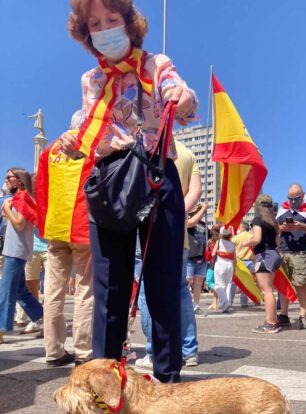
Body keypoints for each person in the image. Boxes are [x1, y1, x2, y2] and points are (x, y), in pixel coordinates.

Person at [61, 0, 198, 382]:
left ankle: (168, 378)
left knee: (162, 279)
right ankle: (106, 383)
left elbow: (182, 97)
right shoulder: (91, 80)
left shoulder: (156, 65)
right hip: (109, 178)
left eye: (111, 19)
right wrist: (72, 140)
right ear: (85, 32)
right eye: (94, 23)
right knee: (108, 283)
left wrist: (183, 99)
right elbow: (92, 128)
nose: (103, 28)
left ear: (129, 23)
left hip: (156, 173)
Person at [135, 141, 202, 369]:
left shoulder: (145, 145)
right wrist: (177, 212)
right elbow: (196, 191)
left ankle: (154, 350)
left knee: (147, 290)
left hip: (147, 229)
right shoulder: (187, 152)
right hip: (178, 234)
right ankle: (189, 350)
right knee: (182, 292)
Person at [36, 110, 94, 367]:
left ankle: (53, 350)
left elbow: (41, 189)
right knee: (84, 290)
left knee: (53, 291)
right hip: (83, 226)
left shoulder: (50, 150)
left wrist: (44, 224)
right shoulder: (92, 146)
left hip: (55, 225)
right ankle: (83, 351)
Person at [0, 168, 43, 344]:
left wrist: (6, 209)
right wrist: (7, 209)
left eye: (9, 177)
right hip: (16, 250)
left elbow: (19, 224)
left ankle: (1, 329)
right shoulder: (18, 198)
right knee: (19, 291)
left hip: (16, 251)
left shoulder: (23, 197)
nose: (6, 180)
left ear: (19, 180)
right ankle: (46, 319)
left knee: (5, 291)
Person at [276, 184, 306, 329]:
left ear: (303, 195)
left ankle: (303, 315)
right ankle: (284, 314)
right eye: (290, 198)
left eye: (296, 198)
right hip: (283, 250)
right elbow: (275, 227)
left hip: (300, 252)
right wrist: (281, 228)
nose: (293, 201)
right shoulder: (283, 209)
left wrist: (301, 226)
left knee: (300, 284)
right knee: (283, 285)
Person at [242, 195, 281, 334]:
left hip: (264, 255)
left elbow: (257, 239)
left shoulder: (257, 219)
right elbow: (277, 243)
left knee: (266, 290)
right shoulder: (274, 222)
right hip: (273, 254)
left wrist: (247, 242)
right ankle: (274, 321)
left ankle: (270, 323)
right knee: (269, 289)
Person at [187, 203, 209, 316]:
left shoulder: (204, 224)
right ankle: (184, 306)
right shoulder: (187, 220)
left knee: (198, 284)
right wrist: (203, 209)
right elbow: (191, 223)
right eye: (198, 210)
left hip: (202, 258)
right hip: (189, 257)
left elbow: (209, 237)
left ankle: (196, 306)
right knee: (187, 282)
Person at [231, 221, 255, 307]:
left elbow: (230, 248)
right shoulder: (252, 236)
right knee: (246, 283)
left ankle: (230, 301)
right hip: (250, 261)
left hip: (238, 262)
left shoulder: (236, 238)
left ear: (242, 228)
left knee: (234, 282)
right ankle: (244, 302)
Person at [212, 227, 236, 313]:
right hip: (230, 265)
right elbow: (234, 258)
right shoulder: (233, 243)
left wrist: (219, 251)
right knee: (228, 284)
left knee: (219, 285)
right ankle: (228, 302)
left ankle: (224, 304)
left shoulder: (219, 241)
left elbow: (213, 253)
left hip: (220, 264)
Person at [205, 224, 221, 310]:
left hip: (213, 264)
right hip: (219, 264)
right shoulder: (221, 241)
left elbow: (209, 256)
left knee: (209, 281)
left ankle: (218, 295)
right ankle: (215, 303)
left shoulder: (210, 242)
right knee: (215, 282)